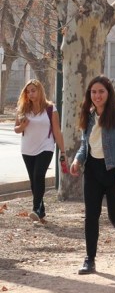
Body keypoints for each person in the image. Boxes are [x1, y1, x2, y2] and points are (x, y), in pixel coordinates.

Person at [69, 75, 115, 275]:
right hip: (93, 170)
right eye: (93, 92)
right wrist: (78, 160)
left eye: (101, 91)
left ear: (109, 93)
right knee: (91, 216)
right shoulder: (89, 115)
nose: (97, 95)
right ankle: (90, 259)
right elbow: (86, 144)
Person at [14, 79, 66, 222]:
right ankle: (41, 211)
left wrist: (63, 152)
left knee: (39, 175)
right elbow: (16, 129)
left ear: (40, 91)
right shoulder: (23, 108)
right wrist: (22, 127)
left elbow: (57, 131)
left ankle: (36, 207)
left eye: (33, 90)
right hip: (27, 149)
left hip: (46, 147)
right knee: (33, 181)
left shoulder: (50, 108)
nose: (30, 93)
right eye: (28, 91)